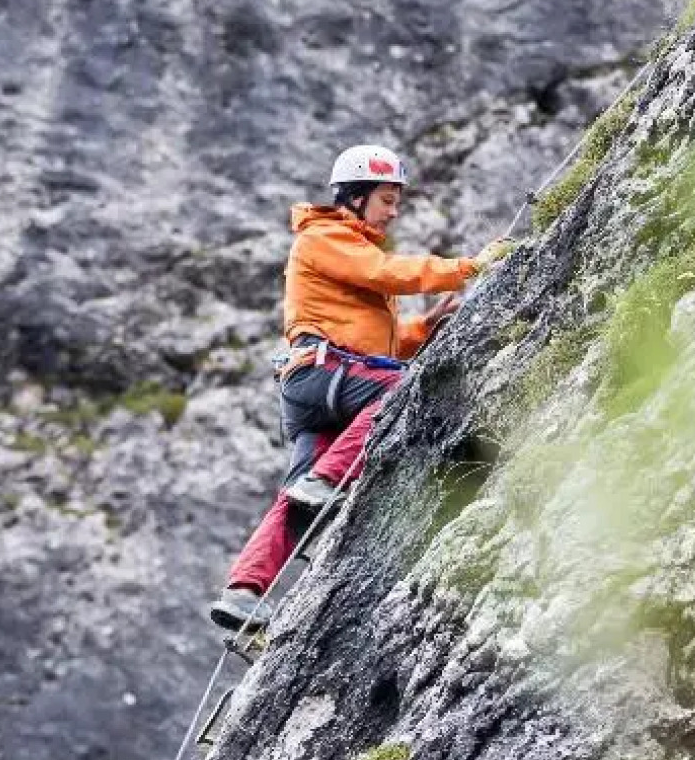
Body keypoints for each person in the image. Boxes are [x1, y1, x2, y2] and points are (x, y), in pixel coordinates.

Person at [209, 144, 510, 631]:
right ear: (356, 196)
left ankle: (243, 591)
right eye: (387, 199)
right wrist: (468, 267)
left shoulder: (345, 246)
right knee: (402, 391)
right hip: (326, 375)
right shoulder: (325, 236)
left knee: (295, 500)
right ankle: (327, 480)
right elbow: (384, 274)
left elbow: (371, 338)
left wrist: (422, 328)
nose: (393, 211)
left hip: (324, 384)